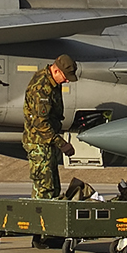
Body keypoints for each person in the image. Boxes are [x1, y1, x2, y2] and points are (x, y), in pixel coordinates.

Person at [22, 53, 78, 198]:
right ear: (56, 70)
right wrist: (62, 143)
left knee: (54, 188)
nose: (67, 80)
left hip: (47, 142)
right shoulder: (41, 88)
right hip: (39, 143)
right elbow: (40, 123)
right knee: (44, 189)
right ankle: (40, 213)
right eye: (65, 77)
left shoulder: (52, 82)